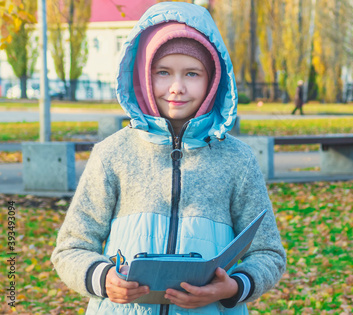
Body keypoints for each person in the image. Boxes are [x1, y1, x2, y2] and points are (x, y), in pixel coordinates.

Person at [51, 2, 286, 314]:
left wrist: (234, 287)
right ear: (143, 75)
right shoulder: (112, 153)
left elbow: (268, 253)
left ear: (213, 80)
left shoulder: (238, 160)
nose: (177, 87)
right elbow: (71, 247)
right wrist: (103, 278)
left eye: (192, 73)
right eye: (163, 72)